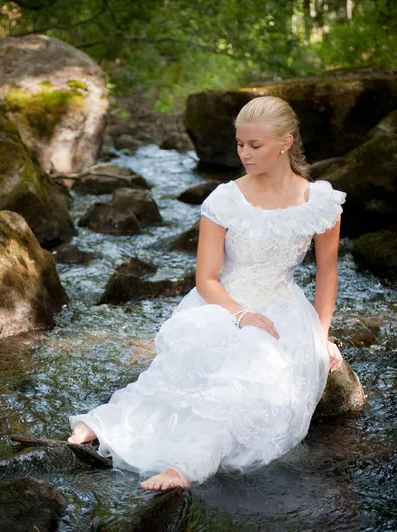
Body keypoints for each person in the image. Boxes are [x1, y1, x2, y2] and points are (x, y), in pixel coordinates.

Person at [68, 95, 345, 491]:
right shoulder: (225, 199)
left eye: (255, 145)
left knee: (245, 384)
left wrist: (322, 335)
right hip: (223, 302)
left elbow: (327, 272)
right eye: (240, 144)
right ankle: (105, 425)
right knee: (175, 377)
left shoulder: (319, 201)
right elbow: (206, 279)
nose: (244, 153)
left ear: (286, 141)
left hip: (284, 310)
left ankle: (187, 466)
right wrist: (240, 314)